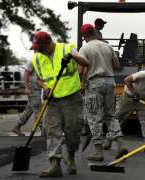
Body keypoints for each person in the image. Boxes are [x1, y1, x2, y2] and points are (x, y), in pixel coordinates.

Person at [30, 31, 90, 177]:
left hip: (71, 97)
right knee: (51, 130)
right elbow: (38, 78)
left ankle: (70, 157)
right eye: (35, 48)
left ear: (48, 43)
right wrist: (45, 88)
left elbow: (86, 63)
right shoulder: (37, 57)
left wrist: (72, 57)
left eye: (39, 47)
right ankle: (55, 164)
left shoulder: (66, 49)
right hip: (52, 100)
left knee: (73, 129)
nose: (37, 50)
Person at [79, 24, 128, 161]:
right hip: (110, 82)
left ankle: (98, 151)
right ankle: (121, 144)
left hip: (94, 84)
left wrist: (81, 85)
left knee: (94, 117)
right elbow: (117, 66)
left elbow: (80, 70)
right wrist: (104, 65)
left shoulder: (85, 48)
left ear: (84, 35)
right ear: (94, 32)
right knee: (111, 116)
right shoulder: (108, 46)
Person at [11, 51, 44, 136]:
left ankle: (17, 127)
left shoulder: (41, 61)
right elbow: (26, 74)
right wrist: (27, 88)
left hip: (38, 87)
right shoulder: (32, 61)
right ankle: (44, 130)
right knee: (38, 109)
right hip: (33, 87)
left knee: (29, 109)